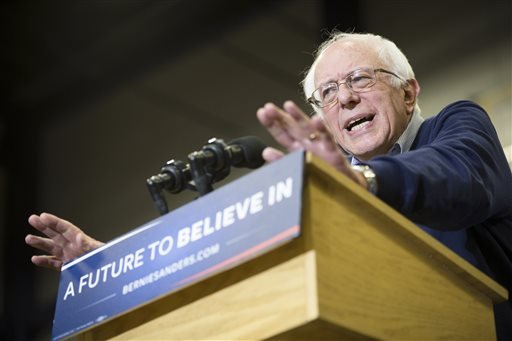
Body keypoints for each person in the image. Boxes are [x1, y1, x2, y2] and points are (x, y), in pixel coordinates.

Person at [26, 32, 511, 337]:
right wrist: (110, 270)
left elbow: (457, 174)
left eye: (360, 79)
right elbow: (227, 255)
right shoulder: (323, 185)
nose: (343, 98)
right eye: (327, 92)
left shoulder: (454, 126)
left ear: (408, 90)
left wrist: (362, 182)